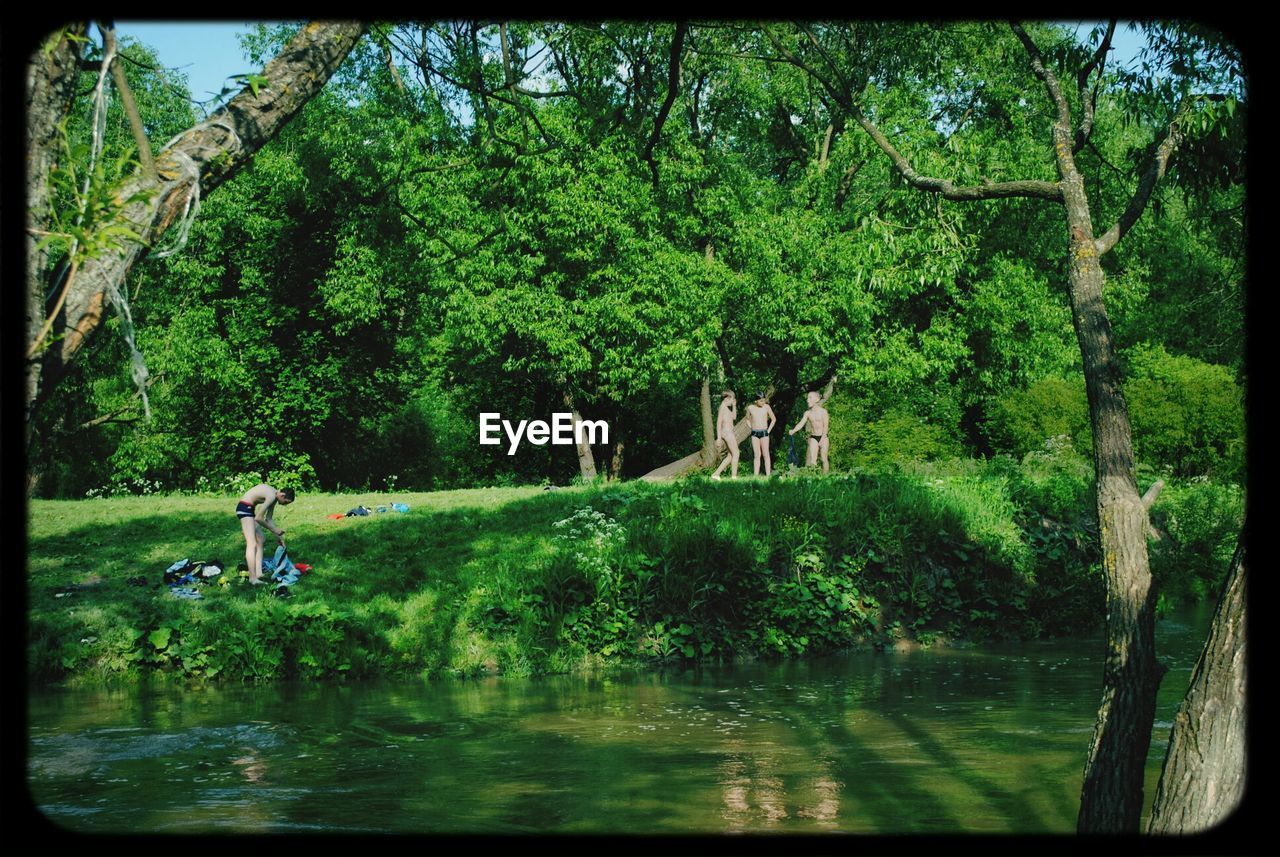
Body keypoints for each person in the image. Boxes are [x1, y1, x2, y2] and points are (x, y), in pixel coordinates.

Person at [237, 483, 295, 584]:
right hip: (244, 509)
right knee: (252, 543)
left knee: (261, 539)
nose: (284, 505)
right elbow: (259, 518)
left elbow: (268, 519)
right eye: (285, 502)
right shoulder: (272, 495)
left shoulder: (274, 496)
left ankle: (259, 573)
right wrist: (274, 530)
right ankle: (252, 578)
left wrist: (279, 538)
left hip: (249, 509)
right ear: (282, 495)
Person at [789, 390, 831, 474]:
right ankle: (813, 477)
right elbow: (801, 423)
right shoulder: (807, 413)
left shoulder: (823, 412)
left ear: (816, 399)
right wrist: (793, 430)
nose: (807, 400)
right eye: (807, 398)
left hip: (824, 437)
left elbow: (826, 426)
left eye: (810, 398)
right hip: (814, 437)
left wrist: (822, 439)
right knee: (813, 459)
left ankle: (825, 477)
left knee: (823, 458)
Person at [710, 389, 740, 480]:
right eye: (732, 399)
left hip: (728, 432)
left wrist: (734, 406)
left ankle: (716, 474)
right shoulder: (722, 407)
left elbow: (734, 417)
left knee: (731, 455)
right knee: (736, 453)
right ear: (727, 398)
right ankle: (734, 477)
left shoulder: (726, 408)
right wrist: (718, 438)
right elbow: (718, 423)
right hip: (727, 432)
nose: (732, 401)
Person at [746, 391, 777, 477]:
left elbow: (774, 419)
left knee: (766, 454)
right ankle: (755, 476)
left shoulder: (766, 407)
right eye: (761, 401)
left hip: (764, 433)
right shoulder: (750, 408)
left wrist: (768, 430)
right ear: (756, 401)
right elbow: (747, 419)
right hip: (755, 433)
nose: (763, 402)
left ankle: (768, 475)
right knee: (757, 455)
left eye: (764, 400)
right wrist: (751, 427)